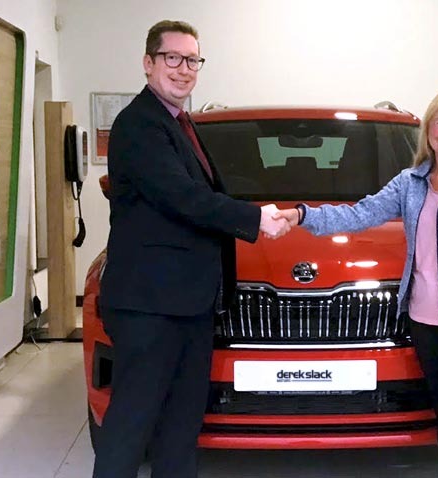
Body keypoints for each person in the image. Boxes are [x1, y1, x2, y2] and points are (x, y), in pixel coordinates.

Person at [276, 90, 438, 478]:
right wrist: (302, 215)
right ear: (428, 130)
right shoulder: (411, 182)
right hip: (424, 321)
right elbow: (360, 214)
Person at [94, 20, 289, 478]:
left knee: (181, 427)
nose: (184, 70)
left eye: (193, 60)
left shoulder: (182, 123)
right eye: (173, 58)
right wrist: (255, 218)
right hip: (150, 308)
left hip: (189, 306)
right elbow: (183, 196)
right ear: (148, 63)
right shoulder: (139, 125)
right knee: (131, 425)